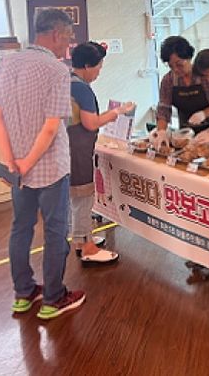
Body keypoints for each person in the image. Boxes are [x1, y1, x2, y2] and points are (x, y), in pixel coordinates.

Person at [0, 8, 85, 319]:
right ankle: (54, 298)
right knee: (56, 231)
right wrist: (29, 162)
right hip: (50, 168)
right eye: (68, 38)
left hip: (17, 169)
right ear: (56, 34)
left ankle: (24, 292)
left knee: (21, 228)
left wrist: (12, 162)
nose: (68, 45)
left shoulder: (4, 64)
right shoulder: (56, 70)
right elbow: (50, 127)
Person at [69, 41, 135, 265]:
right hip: (78, 149)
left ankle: (81, 240)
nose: (98, 72)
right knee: (83, 196)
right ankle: (87, 248)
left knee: (76, 197)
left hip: (67, 148)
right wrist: (117, 112)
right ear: (88, 65)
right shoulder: (81, 88)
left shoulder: (66, 81)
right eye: (98, 67)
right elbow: (91, 123)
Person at [152, 36, 209, 148]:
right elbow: (164, 109)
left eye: (179, 64)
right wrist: (161, 131)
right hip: (186, 133)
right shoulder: (168, 81)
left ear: (189, 57)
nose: (175, 70)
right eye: (171, 66)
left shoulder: (205, 76)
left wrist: (203, 114)